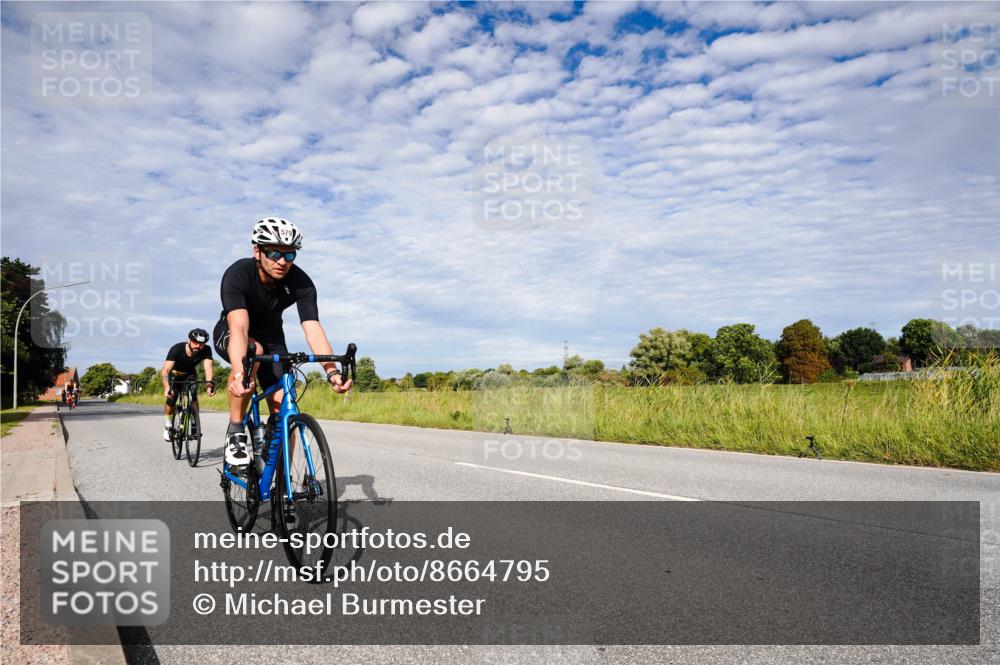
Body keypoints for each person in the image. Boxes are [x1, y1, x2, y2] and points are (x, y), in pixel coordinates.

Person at [213, 217, 352, 466]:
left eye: (289, 256)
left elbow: (312, 328)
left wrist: (331, 371)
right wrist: (237, 372)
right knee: (252, 353)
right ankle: (235, 432)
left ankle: (283, 486)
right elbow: (240, 328)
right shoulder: (238, 274)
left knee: (284, 410)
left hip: (273, 338)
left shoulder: (301, 282)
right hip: (233, 333)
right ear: (257, 250)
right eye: (274, 253)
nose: (282, 262)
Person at [161, 329, 216, 442]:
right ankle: (168, 426)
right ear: (189, 341)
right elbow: (165, 370)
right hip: (175, 375)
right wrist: (167, 387)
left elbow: (208, 367)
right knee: (172, 398)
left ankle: (194, 421)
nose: (198, 346)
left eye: (201, 344)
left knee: (194, 395)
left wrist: (209, 385)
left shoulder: (206, 350)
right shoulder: (177, 349)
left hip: (190, 374)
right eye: (195, 342)